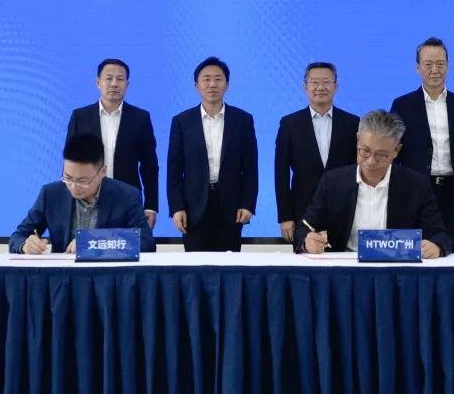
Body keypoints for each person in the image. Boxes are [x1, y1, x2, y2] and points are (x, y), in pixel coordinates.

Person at [295, 109, 451, 258]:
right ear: (358, 140)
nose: (370, 161)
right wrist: (307, 242)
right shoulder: (333, 182)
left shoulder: (416, 185)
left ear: (396, 150)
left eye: (381, 155)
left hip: (395, 265)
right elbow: (305, 227)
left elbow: (440, 234)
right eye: (365, 151)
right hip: (346, 265)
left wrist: (436, 246)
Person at [389, 37, 454, 252]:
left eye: (440, 64)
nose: (435, 70)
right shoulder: (402, 105)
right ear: (417, 68)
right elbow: (393, 152)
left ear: (447, 66)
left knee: (452, 250)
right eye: (428, 64)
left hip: (453, 191)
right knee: (415, 252)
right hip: (415, 190)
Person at [167, 57, 258, 252]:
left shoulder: (242, 120)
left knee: (229, 266)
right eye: (206, 79)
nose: (212, 84)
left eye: (218, 79)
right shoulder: (182, 122)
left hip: (231, 208)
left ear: (227, 85)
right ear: (196, 85)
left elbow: (251, 168)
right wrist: (176, 207)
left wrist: (248, 204)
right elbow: (174, 171)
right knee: (195, 267)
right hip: (193, 208)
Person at [8, 133, 155, 253]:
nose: (73, 186)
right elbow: (17, 236)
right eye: (68, 177)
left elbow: (146, 242)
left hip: (107, 276)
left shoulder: (127, 196)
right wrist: (25, 244)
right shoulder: (50, 194)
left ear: (103, 171)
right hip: (63, 275)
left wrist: (94, 243)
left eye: (82, 180)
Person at [66, 58, 159, 228]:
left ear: (127, 84)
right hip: (87, 199)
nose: (114, 84)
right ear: (98, 83)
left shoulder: (140, 118)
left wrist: (151, 205)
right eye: (109, 78)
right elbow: (70, 162)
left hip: (127, 199)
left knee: (126, 244)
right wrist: (69, 201)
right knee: (87, 243)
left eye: (120, 79)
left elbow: (149, 166)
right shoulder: (80, 117)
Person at [274, 62, 360, 243]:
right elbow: (281, 174)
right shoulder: (290, 124)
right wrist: (285, 216)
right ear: (305, 86)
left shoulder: (352, 123)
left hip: (343, 208)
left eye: (326, 82)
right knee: (306, 256)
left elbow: (359, 168)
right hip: (303, 210)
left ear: (335, 86)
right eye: (314, 82)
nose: (320, 87)